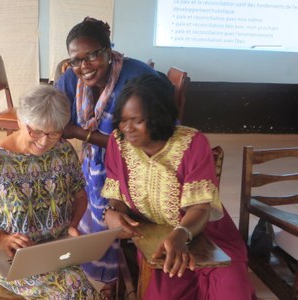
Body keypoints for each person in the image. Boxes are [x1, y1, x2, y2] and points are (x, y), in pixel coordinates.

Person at [101, 74, 257, 300]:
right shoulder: (118, 143)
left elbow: (200, 209)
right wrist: (113, 214)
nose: (128, 128)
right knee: (166, 291)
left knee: (230, 287)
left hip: (204, 234)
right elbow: (117, 197)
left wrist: (181, 234)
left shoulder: (192, 143)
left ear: (158, 116)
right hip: (157, 240)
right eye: (123, 120)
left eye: (137, 120)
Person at [0, 84, 100, 299]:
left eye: (54, 133)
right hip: (10, 253)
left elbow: (79, 196)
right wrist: (0, 238)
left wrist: (72, 225)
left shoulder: (63, 150)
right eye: (35, 131)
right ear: (20, 121)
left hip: (55, 248)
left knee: (79, 289)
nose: (43, 142)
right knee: (70, 294)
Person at [54, 17, 165, 298]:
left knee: (102, 200)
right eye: (76, 60)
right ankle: (92, 261)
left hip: (140, 164)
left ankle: (108, 277)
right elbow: (53, 116)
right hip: (96, 163)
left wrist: (80, 132)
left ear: (108, 50)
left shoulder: (137, 78)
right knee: (65, 191)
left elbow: (141, 143)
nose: (85, 66)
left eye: (92, 55)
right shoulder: (70, 79)